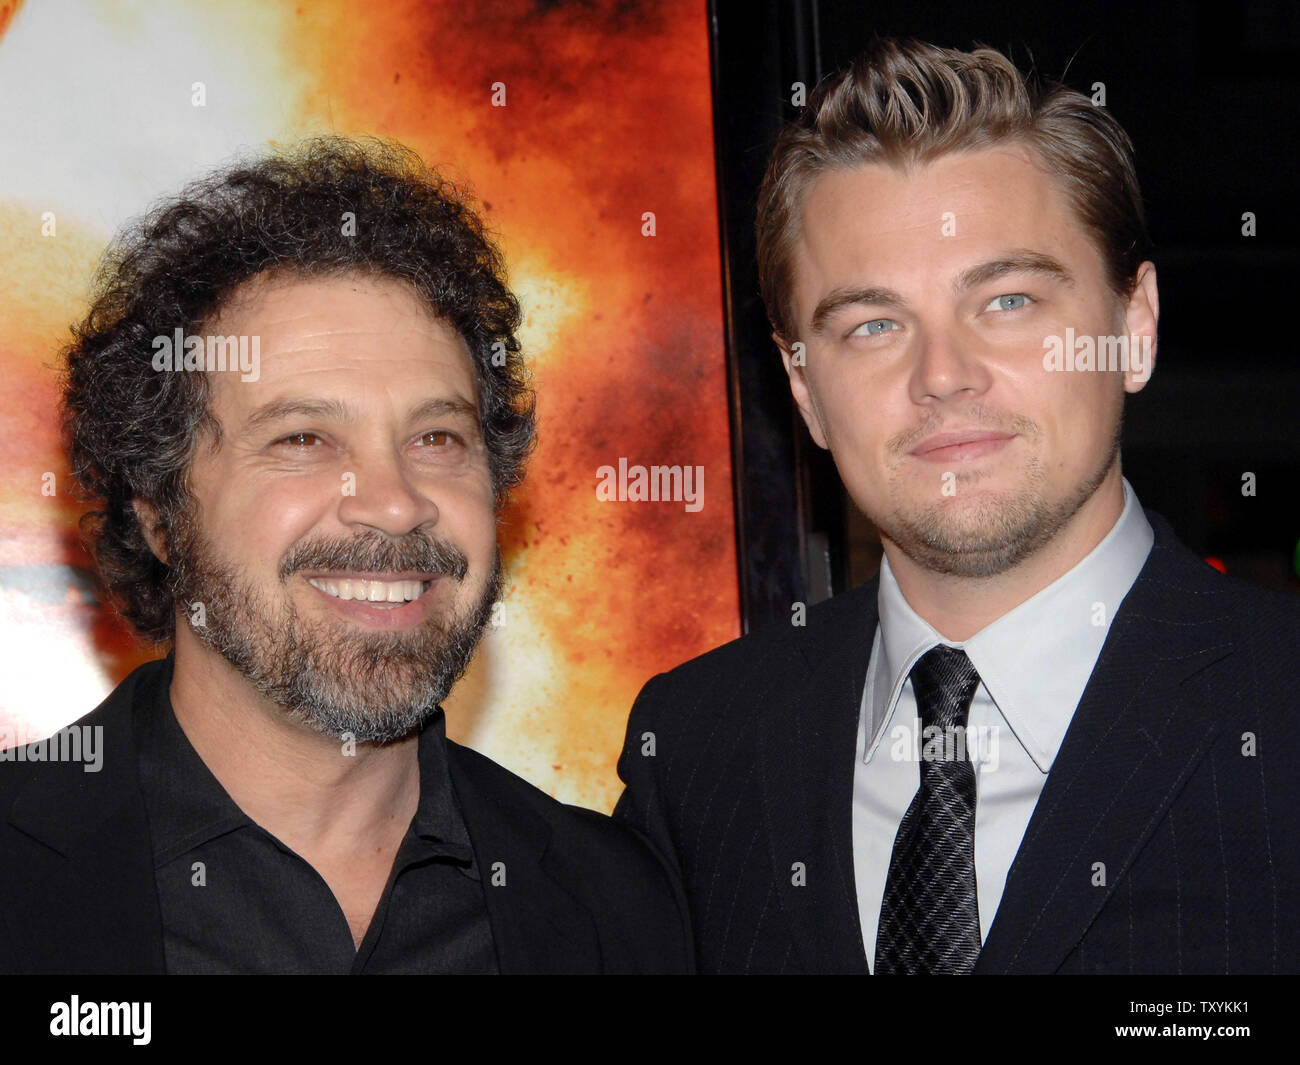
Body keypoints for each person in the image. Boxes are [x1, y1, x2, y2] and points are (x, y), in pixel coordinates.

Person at [615, 37, 1300, 974]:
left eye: (1009, 301)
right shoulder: (698, 751)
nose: (943, 375)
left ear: (1133, 328)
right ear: (805, 388)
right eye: (873, 326)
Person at [0, 136, 690, 974]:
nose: (395, 501)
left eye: (437, 436)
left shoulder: (623, 909)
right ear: (158, 514)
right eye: (303, 438)